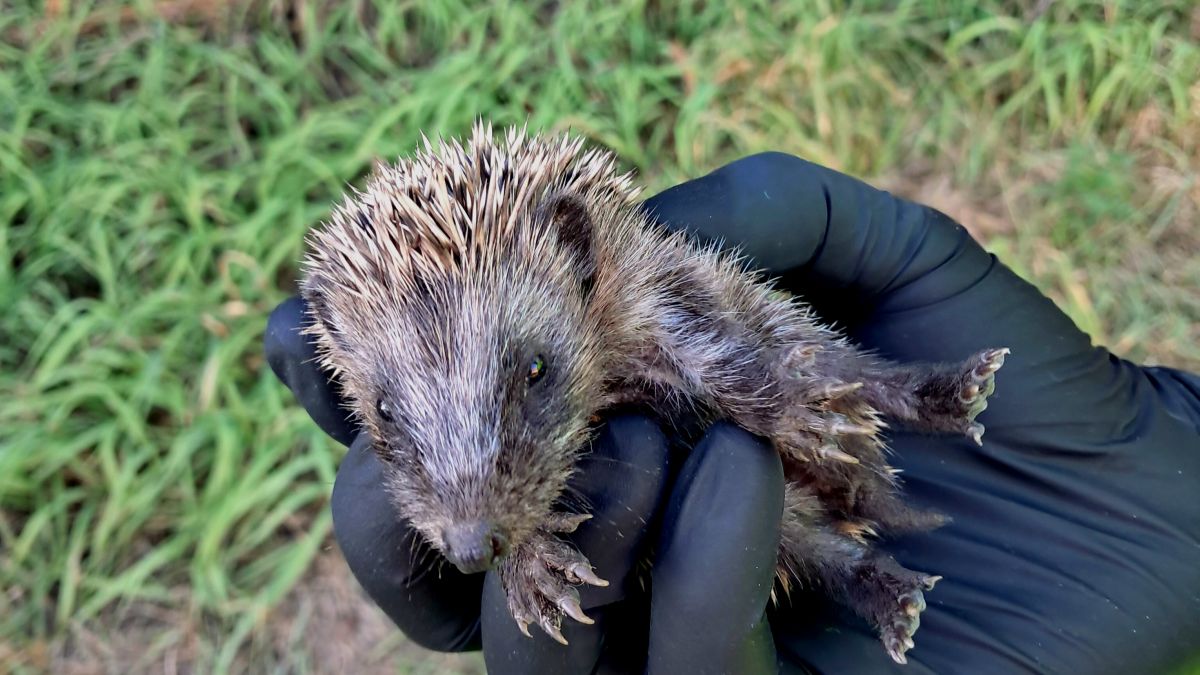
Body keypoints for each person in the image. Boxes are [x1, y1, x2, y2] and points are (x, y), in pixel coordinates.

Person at [264, 151, 1200, 674]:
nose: (464, 532)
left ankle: (892, 487)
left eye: (533, 369)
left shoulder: (639, 293)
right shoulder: (398, 378)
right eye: (397, 414)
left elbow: (766, 369)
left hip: (802, 439)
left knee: (769, 389)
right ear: (341, 342)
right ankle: (860, 578)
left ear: (581, 258)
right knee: (719, 542)